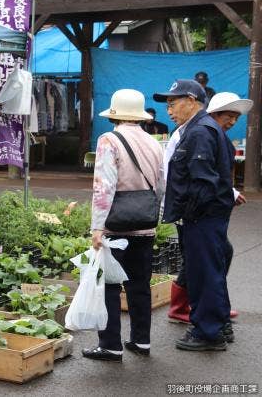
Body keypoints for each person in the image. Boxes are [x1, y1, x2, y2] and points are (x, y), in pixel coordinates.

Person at [83, 89, 164, 362]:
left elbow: (103, 187)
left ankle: (111, 345)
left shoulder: (109, 140)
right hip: (145, 224)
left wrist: (97, 227)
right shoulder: (154, 143)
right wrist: (156, 215)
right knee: (140, 285)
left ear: (115, 115)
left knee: (109, 285)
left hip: (116, 227)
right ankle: (141, 341)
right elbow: (162, 186)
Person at [154, 79, 234, 351]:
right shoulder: (203, 128)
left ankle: (208, 333)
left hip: (202, 218)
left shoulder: (199, 131)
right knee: (211, 270)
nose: (169, 110)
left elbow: (203, 183)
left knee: (204, 273)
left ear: (191, 100)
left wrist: (188, 214)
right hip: (208, 217)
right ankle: (218, 325)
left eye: (173, 103)